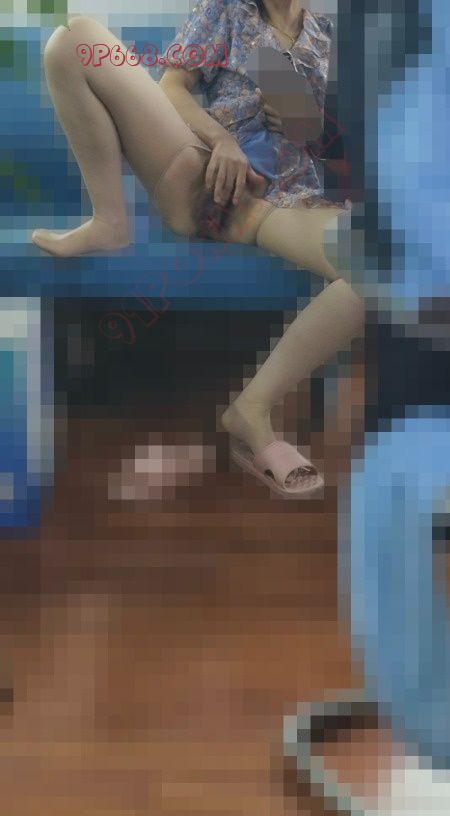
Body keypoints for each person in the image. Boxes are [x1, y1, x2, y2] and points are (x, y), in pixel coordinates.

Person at [31, 1, 365, 497]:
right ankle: (110, 219)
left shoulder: (330, 36)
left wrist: (314, 129)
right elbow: (172, 87)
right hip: (200, 165)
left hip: (281, 199)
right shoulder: (225, 10)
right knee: (73, 39)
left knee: (377, 267)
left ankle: (250, 410)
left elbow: (345, 147)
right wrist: (222, 138)